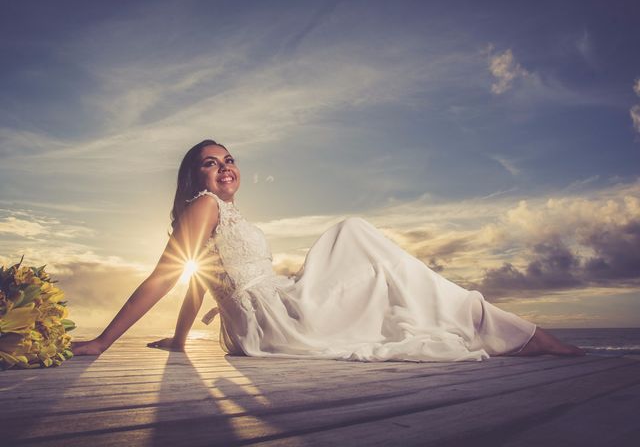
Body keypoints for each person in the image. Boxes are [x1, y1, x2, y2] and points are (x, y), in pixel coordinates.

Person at [72, 140, 585, 360]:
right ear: (195, 176)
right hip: (273, 318)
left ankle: (501, 327)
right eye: (211, 162)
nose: (225, 167)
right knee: (356, 235)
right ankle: (512, 331)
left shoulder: (216, 214)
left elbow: (197, 279)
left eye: (229, 159)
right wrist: (102, 342)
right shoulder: (204, 205)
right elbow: (168, 275)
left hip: (263, 318)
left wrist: (181, 339)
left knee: (371, 259)